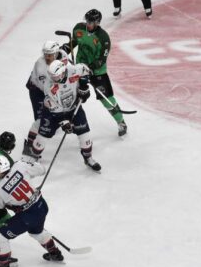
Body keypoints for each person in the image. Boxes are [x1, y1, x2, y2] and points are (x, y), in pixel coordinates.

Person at [0, 156, 64, 267]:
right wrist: (27, 163)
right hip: (41, 206)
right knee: (37, 232)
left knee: (0, 236)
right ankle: (55, 253)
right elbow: (41, 170)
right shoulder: (19, 165)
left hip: (28, 216)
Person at [24, 58, 101, 171]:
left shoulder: (73, 70)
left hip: (74, 107)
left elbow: (86, 70)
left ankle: (88, 158)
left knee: (85, 136)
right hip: (53, 113)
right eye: (52, 76)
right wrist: (63, 122)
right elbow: (54, 108)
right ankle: (35, 157)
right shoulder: (49, 86)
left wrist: (84, 86)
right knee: (41, 139)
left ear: (63, 72)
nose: (53, 78)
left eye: (55, 76)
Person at [63, 9, 128, 137]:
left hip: (97, 72)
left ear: (97, 23)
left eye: (91, 22)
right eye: (87, 20)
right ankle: (65, 121)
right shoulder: (78, 28)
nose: (88, 23)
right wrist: (66, 48)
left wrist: (90, 68)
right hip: (79, 68)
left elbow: (101, 60)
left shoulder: (103, 38)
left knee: (106, 99)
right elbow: (75, 42)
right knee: (70, 94)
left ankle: (121, 122)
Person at [23, 41, 69, 155]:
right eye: (45, 54)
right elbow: (48, 91)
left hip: (52, 87)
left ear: (56, 53)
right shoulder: (41, 65)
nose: (47, 57)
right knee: (41, 119)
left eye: (50, 54)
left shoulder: (63, 54)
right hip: (37, 90)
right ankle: (29, 146)